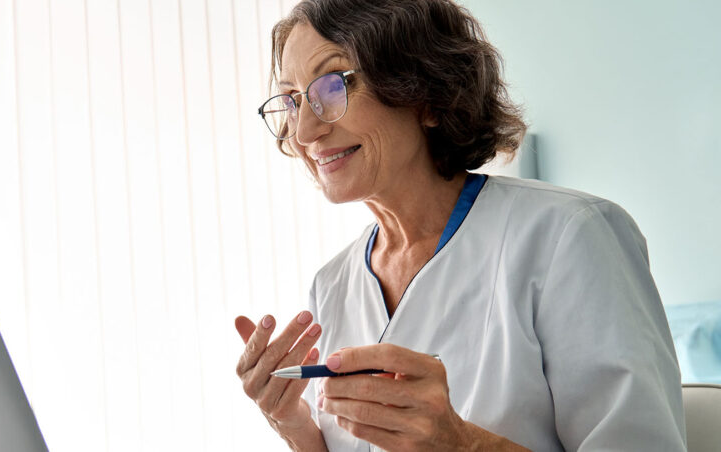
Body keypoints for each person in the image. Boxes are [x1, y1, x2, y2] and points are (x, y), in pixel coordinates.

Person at [233, 0, 686, 450]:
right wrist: (293, 424)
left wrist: (461, 444)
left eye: (331, 87)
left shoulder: (571, 237)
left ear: (427, 95)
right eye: (292, 100)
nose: (305, 131)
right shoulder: (332, 285)